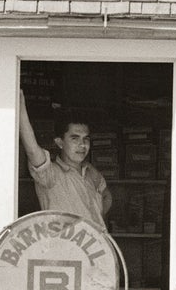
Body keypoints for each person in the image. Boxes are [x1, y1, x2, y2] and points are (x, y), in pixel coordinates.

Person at [18, 90, 111, 227]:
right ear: (60, 142)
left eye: (86, 139)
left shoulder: (91, 171)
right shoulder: (50, 175)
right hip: (64, 240)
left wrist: (96, 221)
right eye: (75, 138)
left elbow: (107, 196)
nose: (82, 145)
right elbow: (32, 151)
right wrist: (20, 108)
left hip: (95, 240)